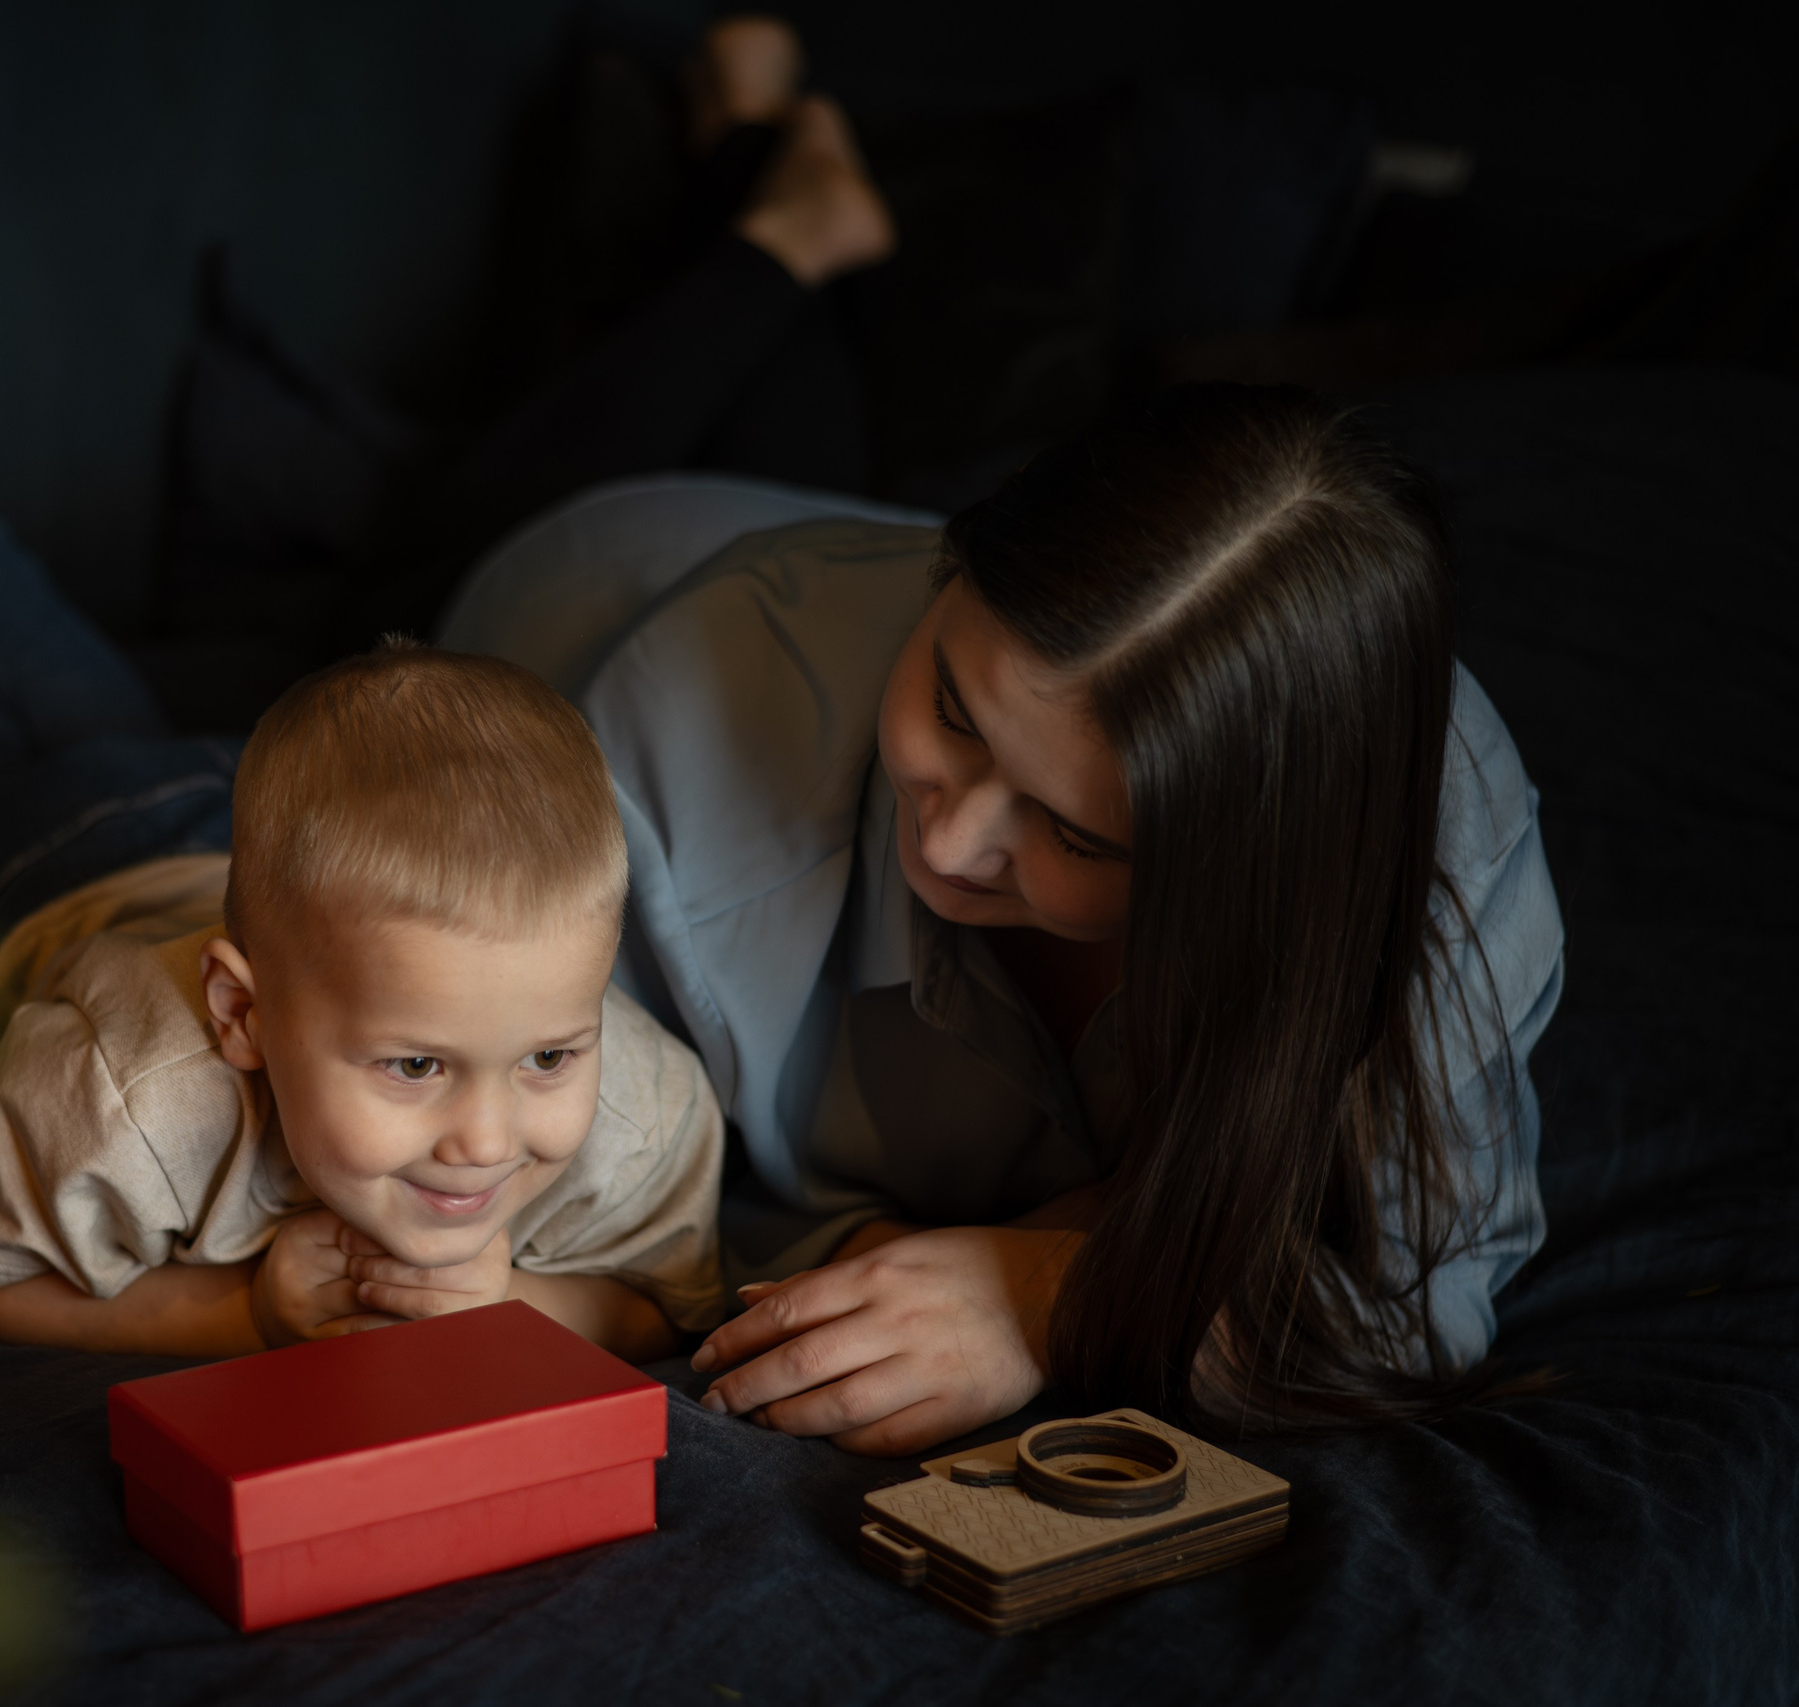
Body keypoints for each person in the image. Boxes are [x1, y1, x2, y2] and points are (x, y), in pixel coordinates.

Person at [441, 383, 1564, 1448]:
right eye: (951, 710)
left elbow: (1428, 1284)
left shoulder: (1430, 841)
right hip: (583, 595)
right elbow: (557, 1200)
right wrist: (871, 1255)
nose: (945, 844)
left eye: (1075, 836)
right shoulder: (668, 755)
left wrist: (1057, 1288)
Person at [0, 467, 723, 1362]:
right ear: (242, 1014)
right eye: (416, 1063)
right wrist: (245, 1314)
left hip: (293, 863)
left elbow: (670, 1304)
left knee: (107, 720)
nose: (489, 1139)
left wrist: (517, 1301)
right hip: (73, 869)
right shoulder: (128, 1097)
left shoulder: (643, 1114)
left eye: (548, 1055)